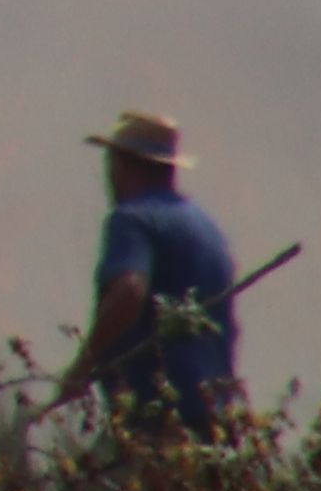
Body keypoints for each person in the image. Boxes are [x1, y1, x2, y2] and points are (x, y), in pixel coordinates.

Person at [54, 106, 243, 428]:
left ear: (126, 166)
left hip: (161, 412)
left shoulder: (132, 219)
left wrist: (82, 366)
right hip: (216, 410)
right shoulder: (205, 226)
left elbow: (129, 290)